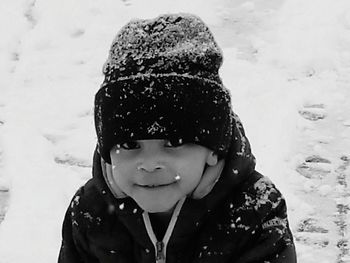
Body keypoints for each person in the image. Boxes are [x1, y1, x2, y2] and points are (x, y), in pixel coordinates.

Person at [58, 13, 297, 263]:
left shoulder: (254, 212)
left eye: (173, 143)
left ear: (214, 149)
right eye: (130, 144)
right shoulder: (90, 213)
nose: (150, 164)